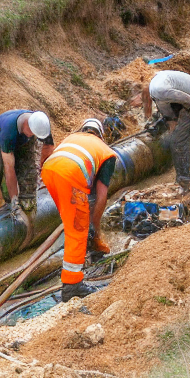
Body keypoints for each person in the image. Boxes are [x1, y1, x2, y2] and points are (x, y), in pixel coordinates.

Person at [40, 119, 118, 301]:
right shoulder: (107, 153)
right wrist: (95, 228)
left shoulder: (73, 137)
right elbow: (101, 196)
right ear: (101, 135)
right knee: (78, 228)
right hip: (70, 174)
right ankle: (72, 285)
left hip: (49, 171)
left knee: (72, 222)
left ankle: (77, 257)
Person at [0, 109, 54, 219]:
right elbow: (9, 169)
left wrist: (44, 173)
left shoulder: (41, 124)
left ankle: (27, 208)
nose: (33, 135)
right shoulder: (8, 132)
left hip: (22, 139)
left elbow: (48, 148)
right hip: (1, 143)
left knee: (29, 172)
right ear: (27, 124)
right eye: (32, 132)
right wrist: (14, 200)